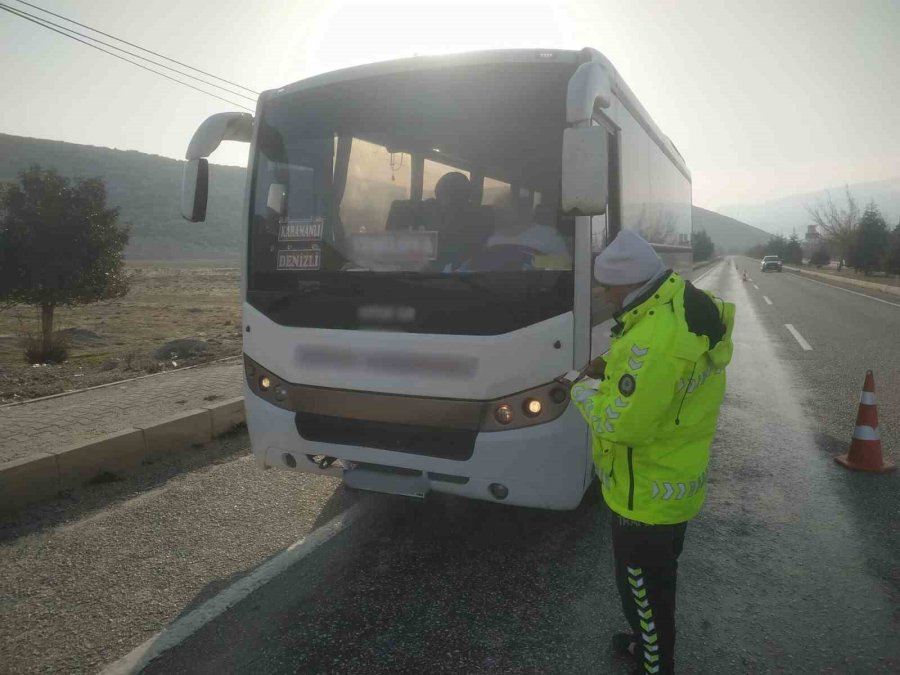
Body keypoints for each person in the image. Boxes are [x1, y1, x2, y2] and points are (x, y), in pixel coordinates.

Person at [570, 230, 735, 674]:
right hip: (674, 477)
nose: (603, 294)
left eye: (607, 286)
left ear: (628, 283)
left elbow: (621, 425)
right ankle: (651, 646)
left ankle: (655, 663)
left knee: (641, 588)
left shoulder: (656, 341)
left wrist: (580, 387)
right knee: (659, 581)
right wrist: (614, 364)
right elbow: (647, 369)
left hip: (644, 493)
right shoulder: (680, 303)